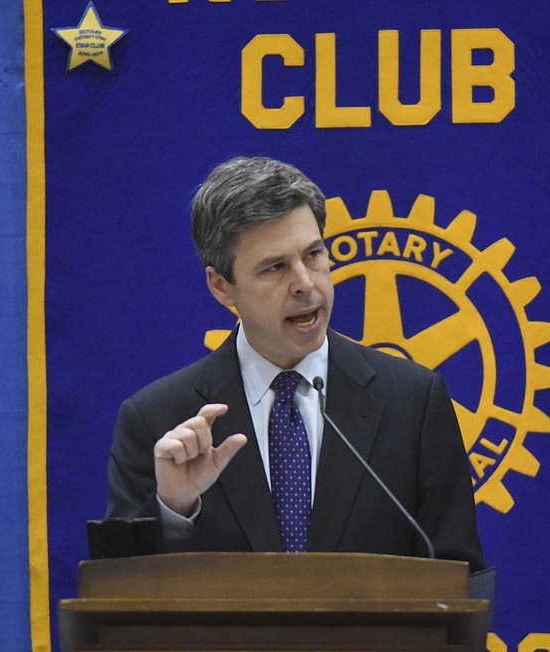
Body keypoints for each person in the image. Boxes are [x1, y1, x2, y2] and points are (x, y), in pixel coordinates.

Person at [106, 156, 484, 571]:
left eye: (314, 255)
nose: (305, 283)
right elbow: (121, 596)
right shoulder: (157, 419)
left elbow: (458, 580)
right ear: (221, 286)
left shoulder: (413, 402)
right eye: (275, 267)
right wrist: (175, 511)